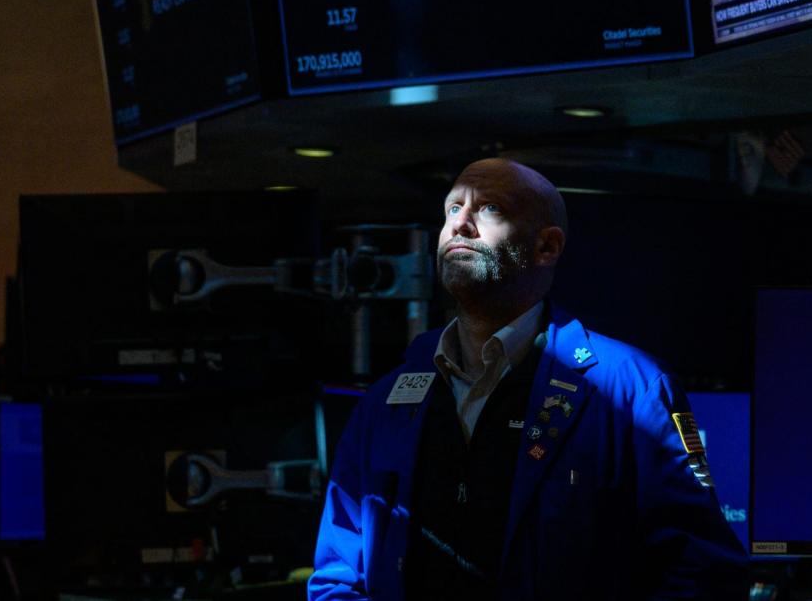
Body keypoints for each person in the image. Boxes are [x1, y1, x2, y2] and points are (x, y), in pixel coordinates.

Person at [309, 158, 748, 600]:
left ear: (547, 247)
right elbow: (339, 572)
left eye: (489, 209)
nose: (459, 224)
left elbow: (705, 569)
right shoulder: (388, 399)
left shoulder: (633, 389)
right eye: (451, 209)